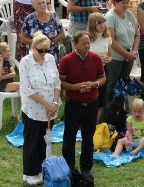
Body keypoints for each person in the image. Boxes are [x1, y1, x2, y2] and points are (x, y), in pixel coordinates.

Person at [58, 30, 105, 183]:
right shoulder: (66, 60)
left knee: (88, 137)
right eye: (83, 43)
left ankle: (86, 169)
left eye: (88, 42)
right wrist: (75, 87)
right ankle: (69, 167)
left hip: (92, 104)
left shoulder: (96, 58)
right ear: (75, 44)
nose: (87, 45)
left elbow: (103, 77)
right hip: (74, 104)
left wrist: (95, 84)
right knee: (69, 137)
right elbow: (61, 81)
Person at [19, 32, 60, 186]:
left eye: (46, 50)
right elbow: (27, 89)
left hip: (50, 109)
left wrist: (54, 104)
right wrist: (46, 104)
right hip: (33, 109)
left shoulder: (50, 59)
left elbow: (57, 83)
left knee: (45, 140)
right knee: (32, 141)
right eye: (40, 50)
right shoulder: (25, 62)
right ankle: (29, 172)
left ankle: (43, 168)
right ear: (33, 48)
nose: (44, 54)